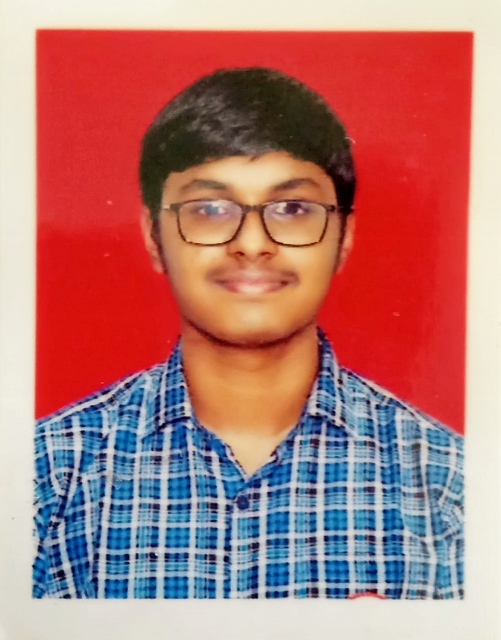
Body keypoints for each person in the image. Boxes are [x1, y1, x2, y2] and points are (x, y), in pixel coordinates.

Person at [33, 67, 464, 599]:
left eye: (293, 208)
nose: (253, 244)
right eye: (210, 209)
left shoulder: (452, 492)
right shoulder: (45, 479)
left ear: (344, 237)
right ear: (153, 237)